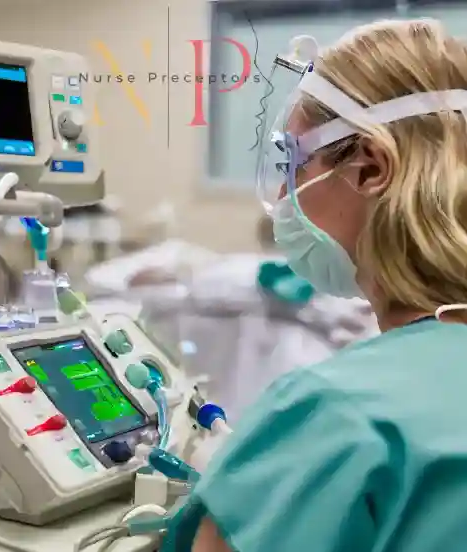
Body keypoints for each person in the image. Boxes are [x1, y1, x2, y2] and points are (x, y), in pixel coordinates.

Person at [160, 18, 467, 552]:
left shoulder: (341, 415)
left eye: (294, 162)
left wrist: (260, 474)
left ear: (371, 169)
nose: (283, 190)